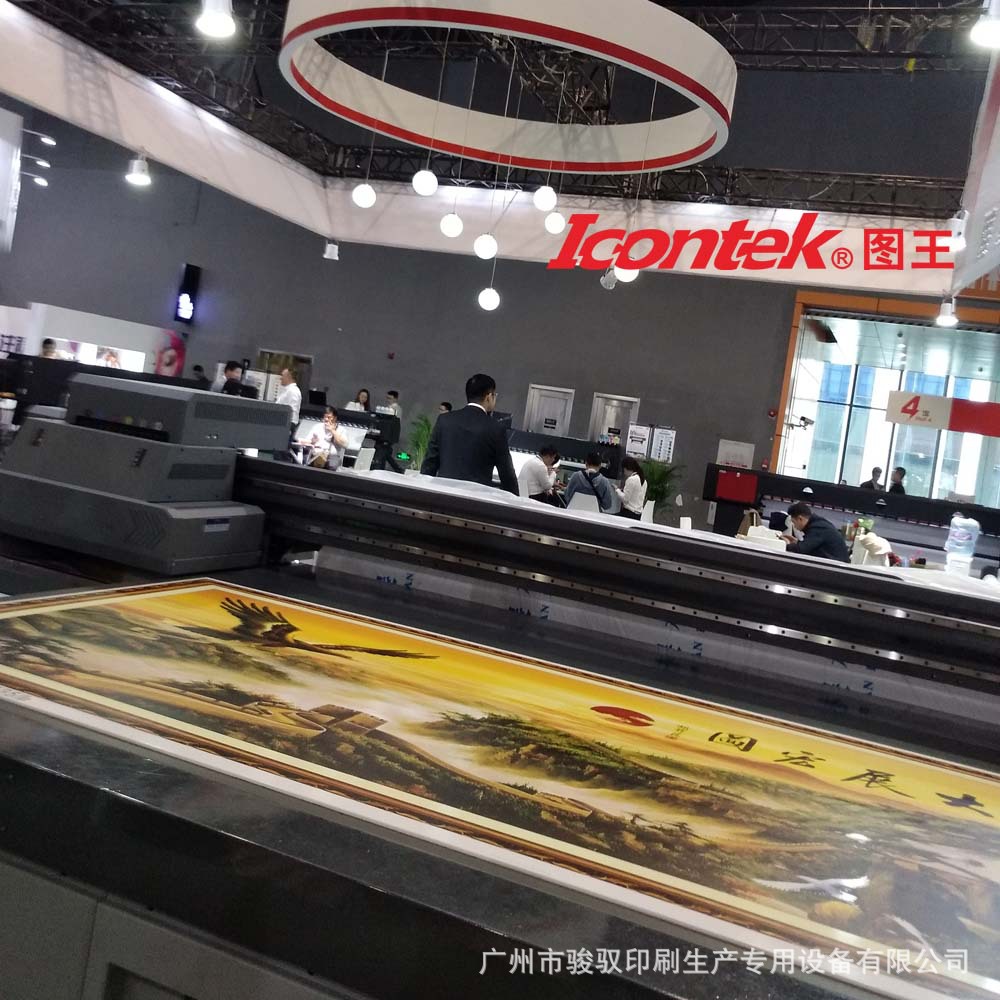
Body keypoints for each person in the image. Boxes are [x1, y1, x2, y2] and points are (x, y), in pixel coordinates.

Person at [420, 373, 518, 495]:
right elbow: (507, 474)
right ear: (489, 397)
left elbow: (429, 463)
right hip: (476, 500)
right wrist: (515, 499)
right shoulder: (496, 428)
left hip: (443, 496)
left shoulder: (444, 420)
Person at [782, 502, 850, 562]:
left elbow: (800, 550)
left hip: (835, 567)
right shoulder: (819, 524)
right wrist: (797, 542)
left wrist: (785, 544)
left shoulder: (818, 528)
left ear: (800, 519)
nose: (794, 526)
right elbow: (809, 546)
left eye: (793, 522)